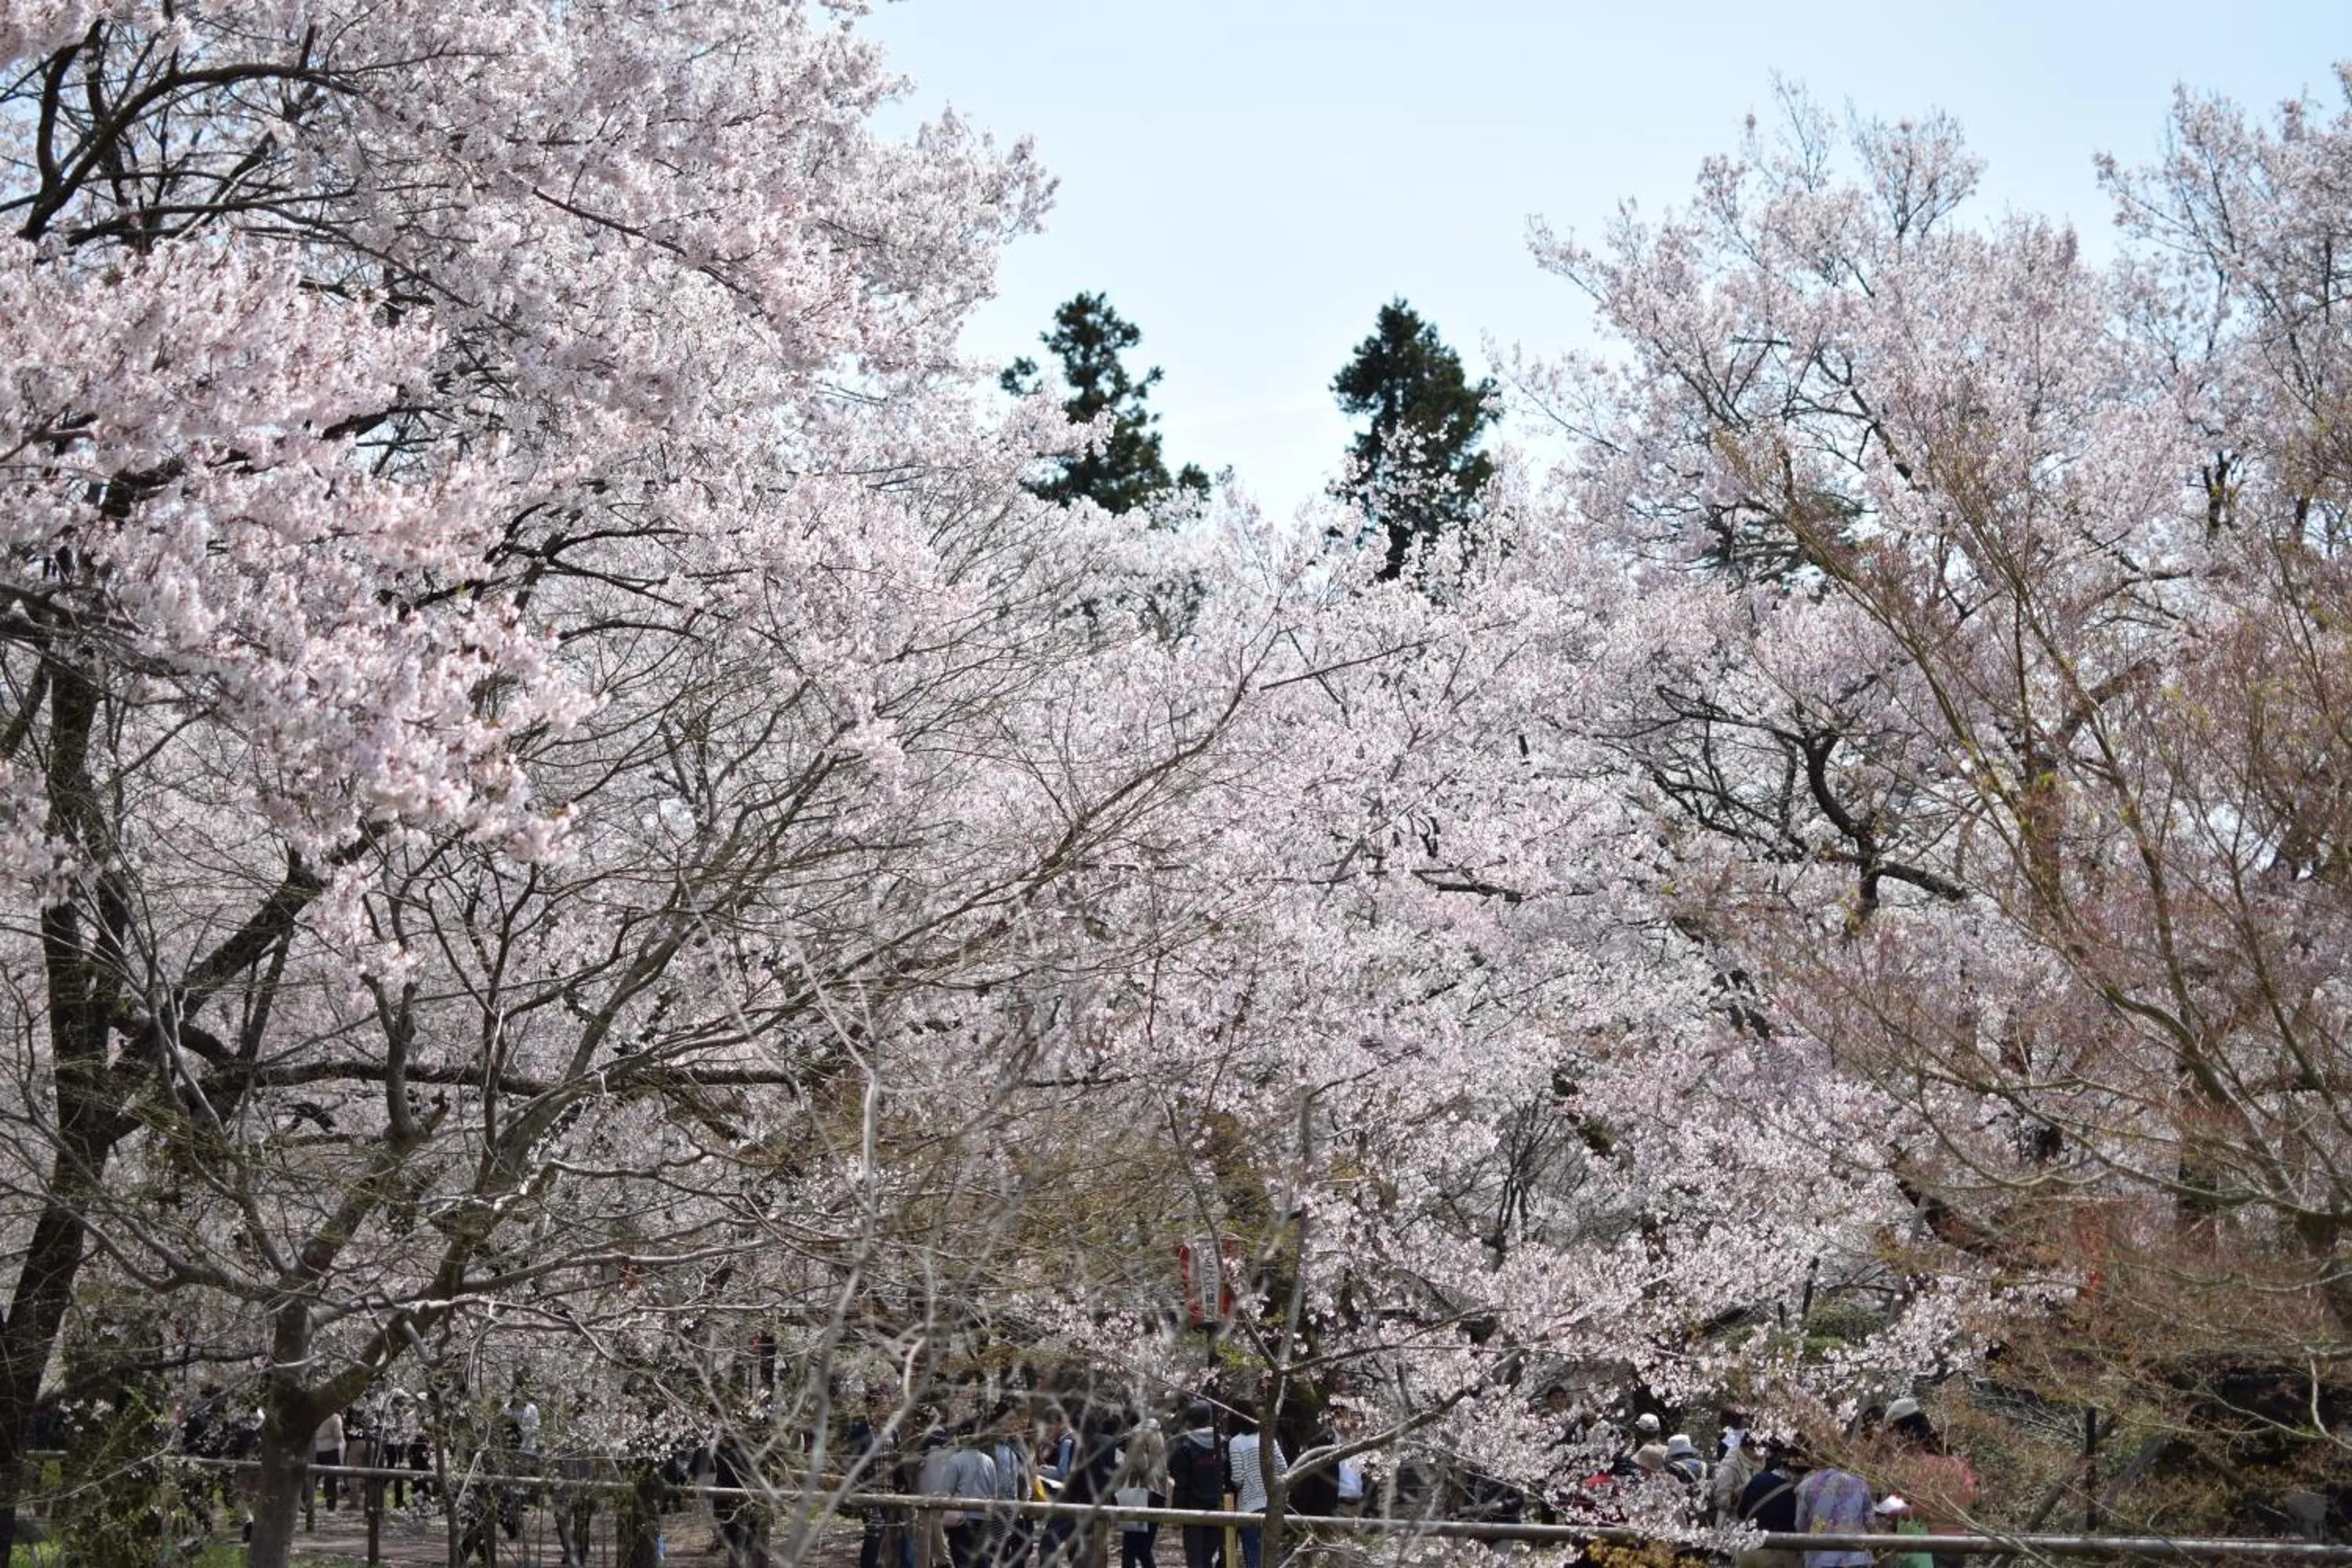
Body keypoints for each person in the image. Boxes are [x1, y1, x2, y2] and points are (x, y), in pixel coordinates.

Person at [1881, 1400, 1976, 1568]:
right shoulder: (1955, 1460)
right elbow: (1971, 1497)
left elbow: (1922, 1510)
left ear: (1904, 1433)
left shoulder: (1925, 1465)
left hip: (1933, 1546)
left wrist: (1893, 1513)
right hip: (1959, 1542)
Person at [1166, 1401, 1225, 1568]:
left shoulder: (1184, 1446)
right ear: (1210, 1419)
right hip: (1219, 1508)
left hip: (1193, 1510)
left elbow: (1181, 1484)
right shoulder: (1224, 1443)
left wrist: (1176, 1513)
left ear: (1190, 1421)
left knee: (1195, 1557)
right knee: (1209, 1555)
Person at [1225, 1403, 1285, 1568]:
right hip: (1272, 1503)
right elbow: (1282, 1467)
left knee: (1253, 1555)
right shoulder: (1268, 1438)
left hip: (1249, 1506)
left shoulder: (1236, 1442)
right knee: (1271, 1555)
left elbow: (1238, 1479)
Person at [1794, 1452, 1875, 1568]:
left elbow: (1800, 1524)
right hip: (1856, 1557)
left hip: (1819, 1558)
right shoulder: (1860, 1484)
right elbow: (1870, 1523)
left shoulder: (1806, 1485)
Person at [1735, 1443, 1804, 1568]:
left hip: (1748, 1549)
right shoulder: (1798, 1491)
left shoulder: (1758, 1479)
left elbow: (1741, 1513)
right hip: (1777, 1552)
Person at [312, 1406, 346, 1513]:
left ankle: (305, 1498)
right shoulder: (335, 1417)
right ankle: (330, 1504)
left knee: (314, 1476)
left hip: (317, 1447)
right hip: (331, 1448)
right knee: (331, 1478)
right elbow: (338, 1435)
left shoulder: (316, 1415)